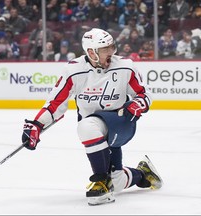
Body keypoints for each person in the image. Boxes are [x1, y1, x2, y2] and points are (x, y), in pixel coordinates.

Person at [21, 28, 163, 205]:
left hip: (120, 121)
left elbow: (144, 93)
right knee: (117, 182)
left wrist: (138, 104)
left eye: (112, 47)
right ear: (91, 52)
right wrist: (36, 125)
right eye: (105, 49)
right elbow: (55, 104)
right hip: (96, 130)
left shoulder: (125, 66)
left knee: (86, 126)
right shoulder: (73, 71)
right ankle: (143, 174)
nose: (111, 52)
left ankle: (100, 181)